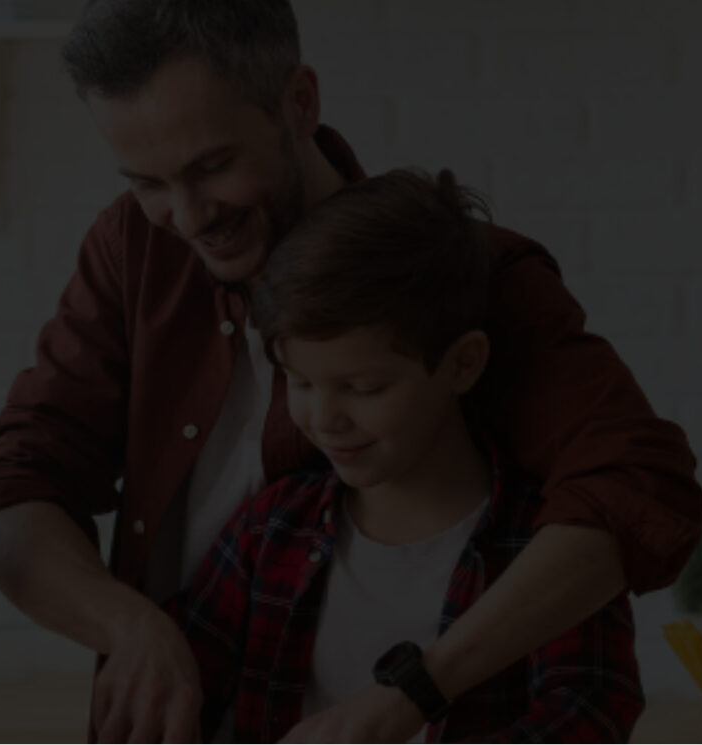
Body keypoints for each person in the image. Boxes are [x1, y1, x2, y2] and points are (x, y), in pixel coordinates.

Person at [0, 2, 702, 741]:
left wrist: (417, 688)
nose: (184, 218)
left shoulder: (460, 273)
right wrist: (132, 629)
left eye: (212, 166)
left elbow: (633, 485)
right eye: (146, 182)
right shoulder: (133, 246)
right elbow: (14, 500)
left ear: (301, 102)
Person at [176, 168, 643, 742]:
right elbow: (181, 690)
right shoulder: (269, 531)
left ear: (464, 364)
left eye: (365, 388)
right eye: (298, 381)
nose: (324, 419)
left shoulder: (543, 549)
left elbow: (590, 713)